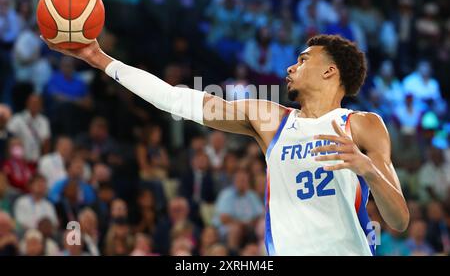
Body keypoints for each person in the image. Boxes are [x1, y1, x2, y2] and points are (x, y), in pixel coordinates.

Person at [42, 33, 409, 255]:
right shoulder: (270, 119)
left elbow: (400, 219)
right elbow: (175, 99)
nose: (290, 68)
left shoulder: (362, 124)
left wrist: (369, 171)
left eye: (302, 60)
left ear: (330, 71)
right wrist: (98, 58)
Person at [7, 93, 51, 163]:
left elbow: (46, 143)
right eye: (32, 102)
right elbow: (9, 139)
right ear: (27, 103)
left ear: (41, 106)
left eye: (37, 103)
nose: (34, 105)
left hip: (36, 161)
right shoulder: (17, 119)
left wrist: (43, 161)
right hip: (19, 160)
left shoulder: (44, 121)